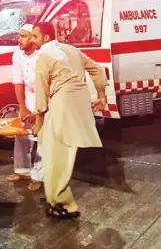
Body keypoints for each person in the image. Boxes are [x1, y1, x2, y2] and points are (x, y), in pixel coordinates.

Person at [31, 22, 107, 219]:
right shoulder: (72, 50)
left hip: (63, 104)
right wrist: (101, 95)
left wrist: (38, 120)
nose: (32, 40)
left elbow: (41, 90)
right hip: (80, 101)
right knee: (58, 149)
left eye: (35, 36)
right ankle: (55, 193)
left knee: (56, 153)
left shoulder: (43, 56)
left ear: (46, 37)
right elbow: (97, 69)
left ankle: (63, 203)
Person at [7, 24, 43, 191]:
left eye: (23, 36)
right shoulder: (17, 54)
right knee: (21, 134)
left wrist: (39, 111)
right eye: (18, 35)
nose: (19, 39)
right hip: (28, 98)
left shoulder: (43, 55)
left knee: (42, 138)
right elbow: (18, 81)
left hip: (44, 99)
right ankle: (22, 170)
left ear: (33, 39)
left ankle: (38, 177)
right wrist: (23, 107)